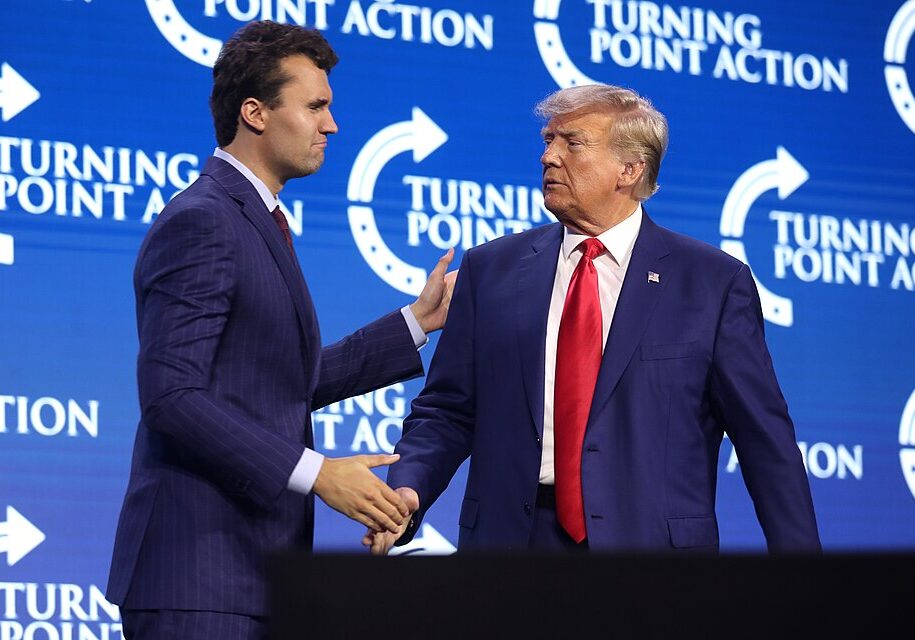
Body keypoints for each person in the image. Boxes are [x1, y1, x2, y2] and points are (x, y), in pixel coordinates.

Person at [107, 20, 454, 638]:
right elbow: (172, 396)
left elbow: (271, 381)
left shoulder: (254, 218)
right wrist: (317, 472)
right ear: (255, 113)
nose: (332, 125)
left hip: (256, 577)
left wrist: (415, 322)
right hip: (199, 579)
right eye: (316, 106)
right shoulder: (205, 220)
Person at [368, 83, 820, 554]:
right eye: (547, 140)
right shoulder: (491, 270)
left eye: (572, 142)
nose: (548, 157)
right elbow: (448, 409)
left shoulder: (711, 284)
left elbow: (763, 440)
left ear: (630, 169)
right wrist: (408, 490)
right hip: (509, 550)